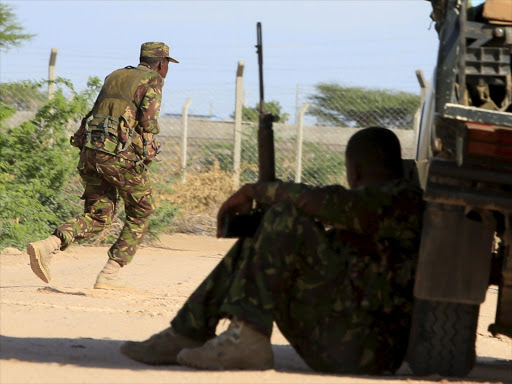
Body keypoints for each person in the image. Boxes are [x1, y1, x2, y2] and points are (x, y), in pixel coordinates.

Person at [120, 127, 424, 373]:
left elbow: (331, 202)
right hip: (348, 339)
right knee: (268, 226)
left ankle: (248, 338)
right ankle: (188, 331)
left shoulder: (400, 202)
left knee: (285, 218)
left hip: (363, 351)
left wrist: (255, 190)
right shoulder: (388, 206)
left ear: (354, 170)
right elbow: (337, 206)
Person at [26, 42, 179, 290]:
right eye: (167, 65)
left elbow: (99, 111)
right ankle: (109, 275)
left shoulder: (115, 75)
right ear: (161, 63)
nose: (166, 70)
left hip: (90, 152)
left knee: (98, 215)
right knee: (142, 210)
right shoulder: (153, 79)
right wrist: (148, 145)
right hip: (118, 156)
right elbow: (148, 121)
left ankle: (48, 246)